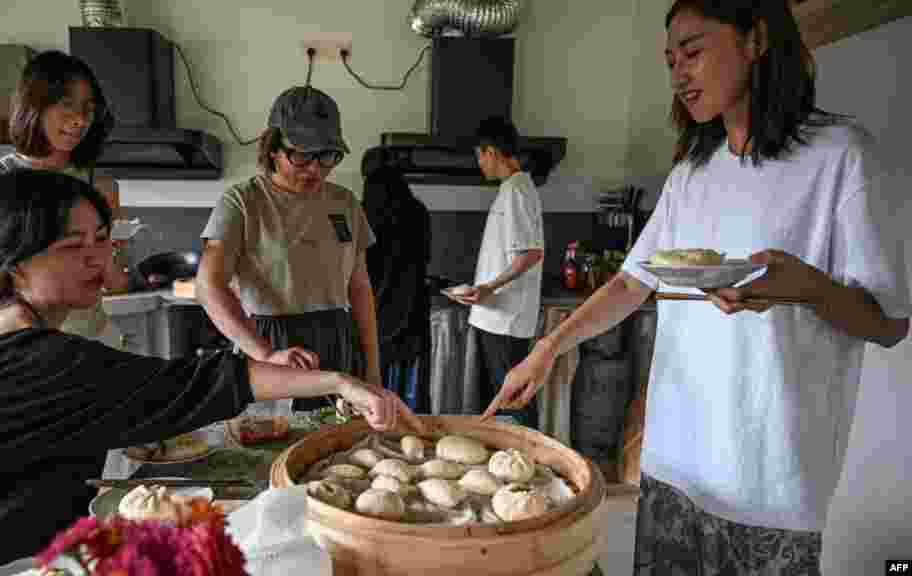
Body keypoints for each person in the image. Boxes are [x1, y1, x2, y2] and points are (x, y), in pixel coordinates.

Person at [483, 1, 910, 573]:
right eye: (669, 60)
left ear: (755, 39)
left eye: (693, 51)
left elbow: (888, 322)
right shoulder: (692, 173)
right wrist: (548, 348)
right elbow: (634, 281)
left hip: (769, 482)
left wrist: (806, 286)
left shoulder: (840, 156)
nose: (679, 73)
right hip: (675, 466)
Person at [0, 170, 421, 576]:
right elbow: (186, 387)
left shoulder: (6, 327)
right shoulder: (27, 357)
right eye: (74, 247)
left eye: (102, 237)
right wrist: (339, 381)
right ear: (15, 263)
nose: (100, 258)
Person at [196, 86, 381, 413]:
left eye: (327, 156)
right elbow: (208, 285)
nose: (315, 169)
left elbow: (359, 287)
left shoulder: (345, 202)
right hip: (270, 340)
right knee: (271, 447)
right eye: (301, 155)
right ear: (271, 149)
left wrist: (372, 366)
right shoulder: (242, 202)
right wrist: (265, 354)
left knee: (337, 446)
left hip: (338, 339)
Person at [0, 50, 128, 346]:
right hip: (18, 349)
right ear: (34, 106)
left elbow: (116, 283)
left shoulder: (100, 187)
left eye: (89, 109)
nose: (80, 119)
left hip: (89, 344)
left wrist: (111, 254)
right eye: (66, 104)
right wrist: (19, 239)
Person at [448, 116, 545, 429]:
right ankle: (508, 459)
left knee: (512, 401)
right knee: (502, 400)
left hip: (506, 319)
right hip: (497, 316)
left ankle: (525, 461)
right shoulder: (513, 189)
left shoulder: (516, 191)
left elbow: (530, 253)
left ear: (490, 151)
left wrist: (489, 287)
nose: (480, 164)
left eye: (479, 155)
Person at [361, 155, 432, 413]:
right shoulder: (418, 212)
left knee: (371, 386)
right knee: (409, 384)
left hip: (373, 312)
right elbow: (425, 258)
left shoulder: (363, 212)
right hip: (412, 312)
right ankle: (409, 427)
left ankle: (372, 431)